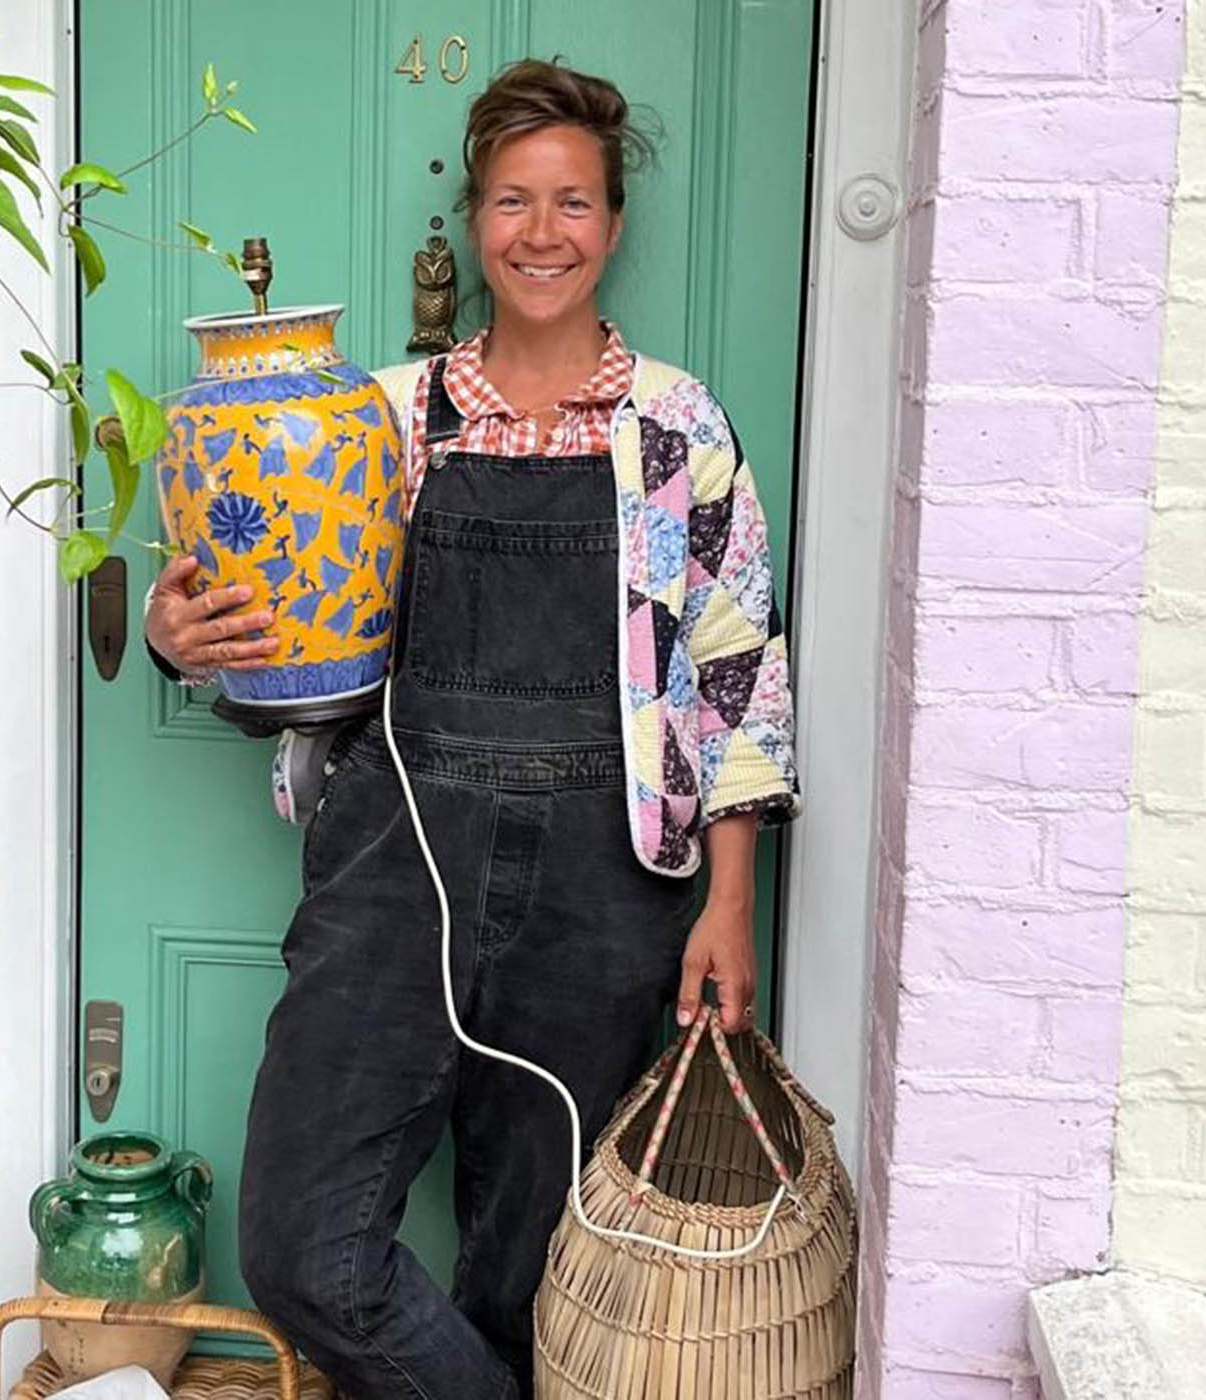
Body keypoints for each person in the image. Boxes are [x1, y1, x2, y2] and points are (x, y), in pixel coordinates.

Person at [144, 59, 800, 1400]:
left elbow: (736, 675)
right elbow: (280, 610)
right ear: (474, 217)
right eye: (513, 200)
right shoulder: (382, 419)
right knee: (305, 1250)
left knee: (535, 1273)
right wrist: (180, 632)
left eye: (573, 202)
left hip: (607, 889)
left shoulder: (678, 428)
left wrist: (729, 907)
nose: (541, 232)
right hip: (395, 862)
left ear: (614, 224)